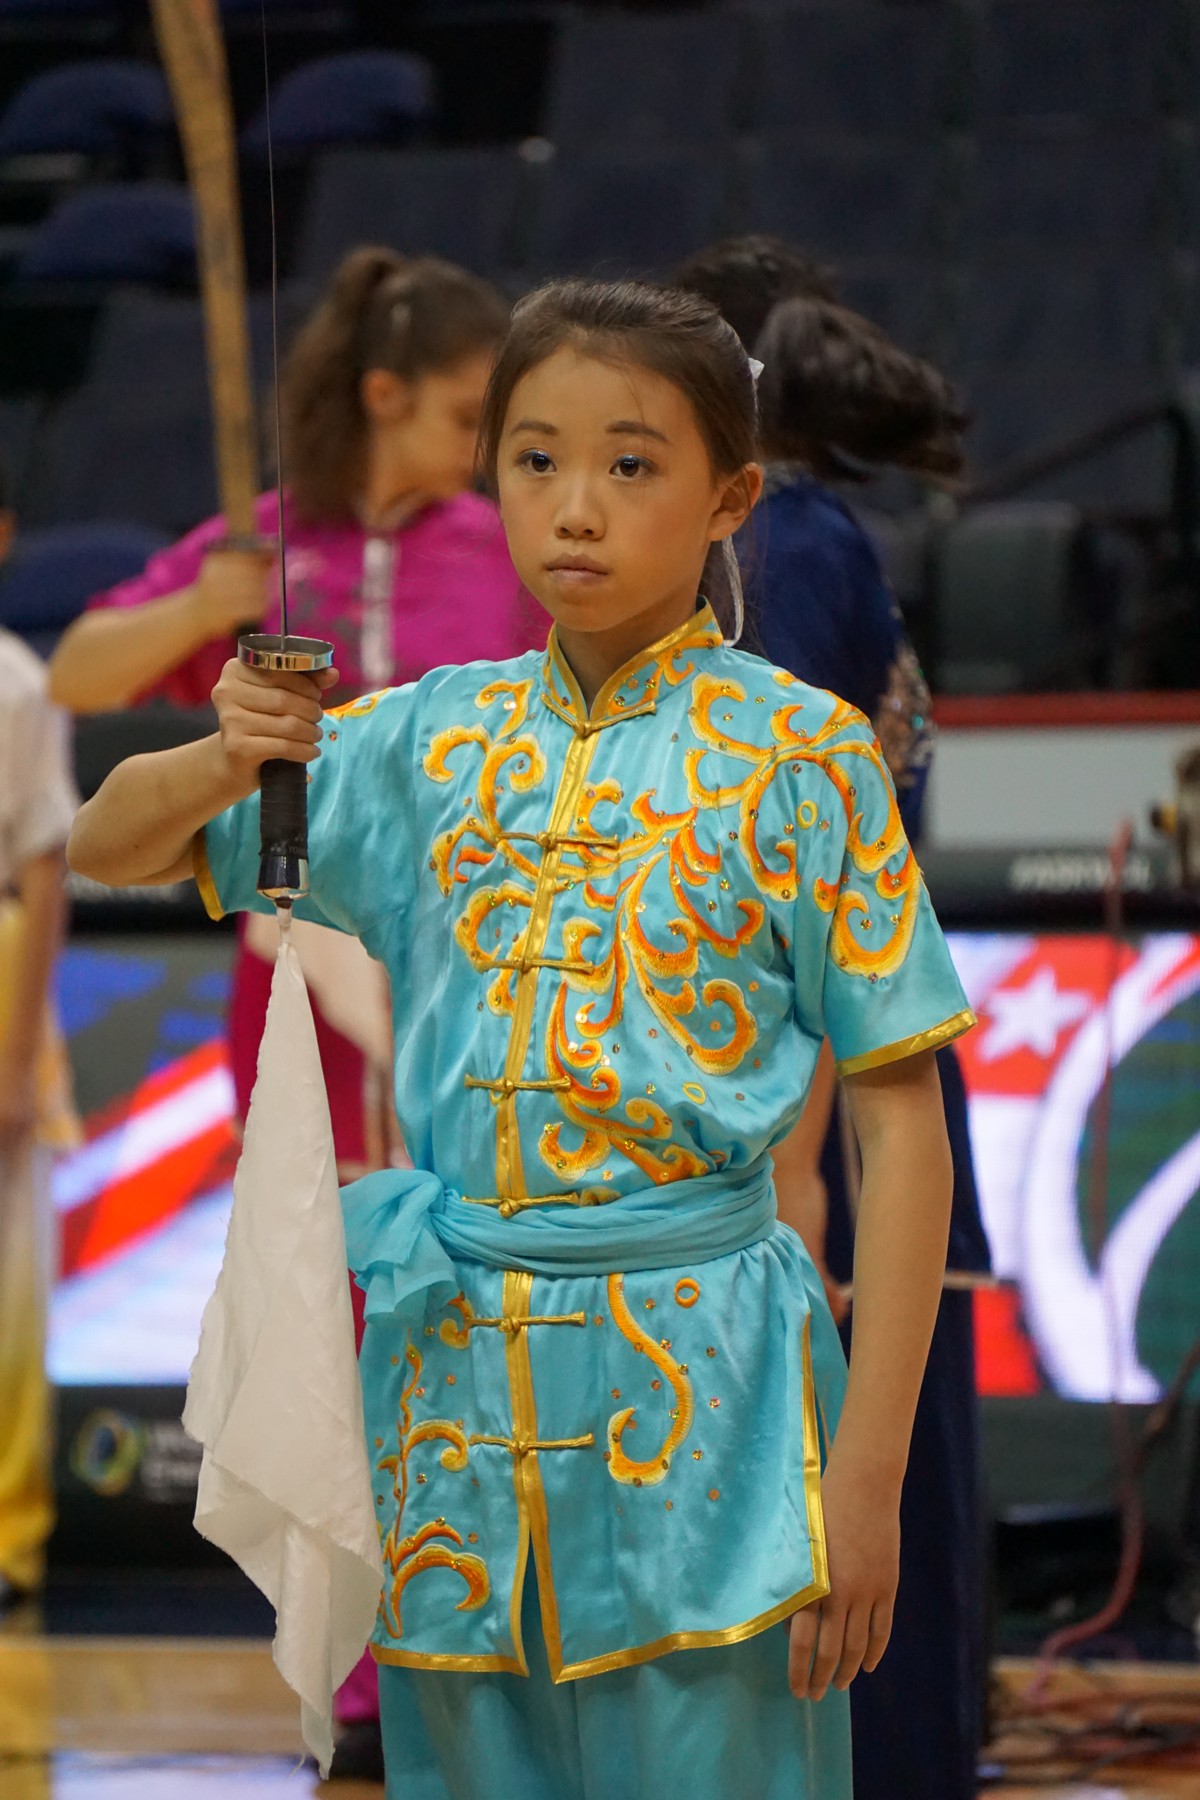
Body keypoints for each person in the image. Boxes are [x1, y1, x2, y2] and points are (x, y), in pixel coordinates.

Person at [68, 278, 974, 1800]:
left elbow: (902, 1121)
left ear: (731, 498)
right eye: (536, 460)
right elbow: (111, 841)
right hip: (453, 1403)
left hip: (716, 1400)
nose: (576, 507)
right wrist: (229, 754)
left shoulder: (806, 757)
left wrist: (871, 1477)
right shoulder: (430, 739)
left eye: (631, 464)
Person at [49, 243, 538, 1779]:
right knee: (330, 1299)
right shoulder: (260, 547)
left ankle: (479, 1634)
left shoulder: (503, 544)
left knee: (466, 1298)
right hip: (295, 975)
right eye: (461, 412)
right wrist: (201, 603)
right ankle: (357, 1667)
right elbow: (78, 672)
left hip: (470, 974)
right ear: (382, 396)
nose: (482, 445)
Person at [677, 234, 992, 1800]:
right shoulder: (809, 542)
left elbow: (796, 891)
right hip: (855, 1083)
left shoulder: (781, 562)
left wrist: (795, 1167)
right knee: (894, 1490)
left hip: (828, 1103)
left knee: (857, 1506)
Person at [0, 467, 79, 1608]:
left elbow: (48, 866)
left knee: (8, 1266)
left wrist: (16, 1062)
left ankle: (8, 1535)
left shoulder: (19, 681)